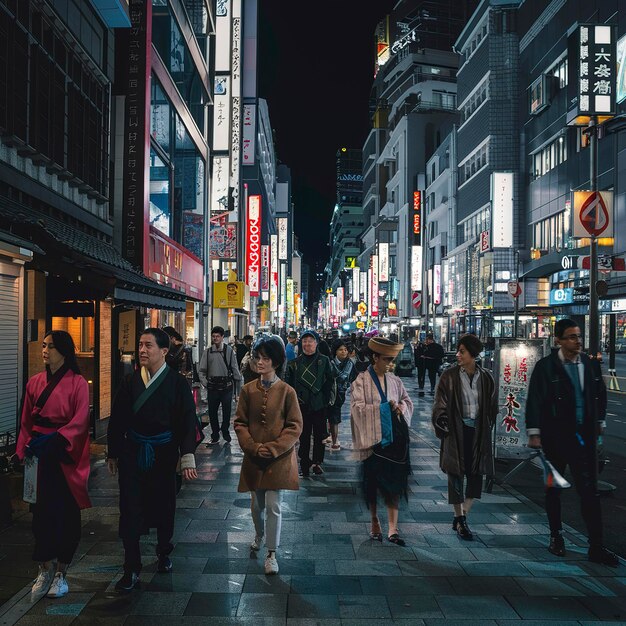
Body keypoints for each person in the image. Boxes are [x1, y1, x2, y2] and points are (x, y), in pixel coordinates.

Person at [107, 328, 199, 592]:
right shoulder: (130, 381)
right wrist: (113, 451)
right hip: (133, 452)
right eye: (140, 345)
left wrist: (187, 455)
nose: (142, 350)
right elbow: (118, 418)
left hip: (164, 453)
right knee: (130, 507)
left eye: (148, 345)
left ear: (164, 351)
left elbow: (186, 422)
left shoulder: (177, 383)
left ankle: (163, 551)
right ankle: (131, 567)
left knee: (164, 505)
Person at [525, 318, 618, 566]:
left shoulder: (589, 364)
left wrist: (600, 422)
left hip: (583, 438)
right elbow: (534, 399)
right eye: (571, 337)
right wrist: (534, 433)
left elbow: (600, 394)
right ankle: (556, 536)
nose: (577, 341)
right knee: (553, 490)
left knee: (590, 492)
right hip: (554, 438)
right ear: (558, 340)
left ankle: (596, 546)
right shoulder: (547, 367)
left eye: (578, 336)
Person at [14, 331, 90, 600]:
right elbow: (24, 421)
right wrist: (24, 450)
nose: (45, 350)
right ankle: (44, 568)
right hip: (39, 453)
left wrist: (57, 439)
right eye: (44, 345)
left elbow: (81, 422)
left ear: (65, 351)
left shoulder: (79, 383)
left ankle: (61, 572)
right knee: (40, 514)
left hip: (63, 455)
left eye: (52, 346)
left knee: (66, 513)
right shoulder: (35, 382)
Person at [234, 336, 303, 575]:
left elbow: (294, 426)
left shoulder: (287, 392)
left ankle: (272, 553)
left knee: (274, 505)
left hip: (279, 459)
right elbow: (240, 422)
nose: (260, 362)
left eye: (265, 358)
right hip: (254, 458)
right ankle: (259, 533)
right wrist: (252, 446)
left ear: (276, 362)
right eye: (258, 357)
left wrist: (274, 448)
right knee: (257, 505)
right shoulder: (247, 390)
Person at [431, 333, 497, 541]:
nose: (458, 355)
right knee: (455, 474)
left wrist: (488, 424)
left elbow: (492, 406)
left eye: (462, 351)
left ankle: (463, 515)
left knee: (476, 474)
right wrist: (443, 422)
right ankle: (459, 518)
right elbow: (440, 401)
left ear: (473, 354)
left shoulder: (485, 377)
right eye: (458, 351)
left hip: (477, 431)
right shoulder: (449, 376)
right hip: (455, 431)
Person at [350, 337, 413, 546]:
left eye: (392, 360)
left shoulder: (395, 380)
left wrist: (399, 408)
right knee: (373, 483)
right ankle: (375, 520)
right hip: (374, 442)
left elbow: (407, 401)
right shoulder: (361, 381)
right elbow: (357, 408)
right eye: (387, 359)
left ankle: (393, 528)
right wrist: (383, 410)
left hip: (394, 441)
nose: (390, 364)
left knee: (395, 483)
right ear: (375, 357)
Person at [285, 329, 335, 477]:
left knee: (320, 436)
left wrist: (326, 401)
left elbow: (330, 382)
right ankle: (304, 464)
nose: (307, 344)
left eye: (310, 341)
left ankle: (317, 463)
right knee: (303, 436)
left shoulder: (324, 360)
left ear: (316, 343)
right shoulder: (294, 363)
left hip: (319, 405)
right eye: (305, 341)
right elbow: (288, 385)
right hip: (301, 406)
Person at [198, 326, 242, 444]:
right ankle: (215, 433)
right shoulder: (207, 352)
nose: (215, 338)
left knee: (227, 411)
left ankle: (225, 430)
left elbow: (234, 368)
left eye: (218, 336)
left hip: (226, 386)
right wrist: (206, 383)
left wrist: (239, 386)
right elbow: (201, 370)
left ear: (223, 337)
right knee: (212, 412)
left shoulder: (229, 351)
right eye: (213, 336)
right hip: (212, 386)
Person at [327, 339, 357, 450]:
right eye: (340, 350)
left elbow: (354, 377)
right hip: (328, 393)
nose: (344, 352)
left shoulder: (350, 364)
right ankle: (331, 438)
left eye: (345, 350)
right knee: (330, 417)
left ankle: (334, 439)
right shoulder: (329, 363)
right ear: (335, 351)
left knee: (335, 417)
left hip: (340, 395)